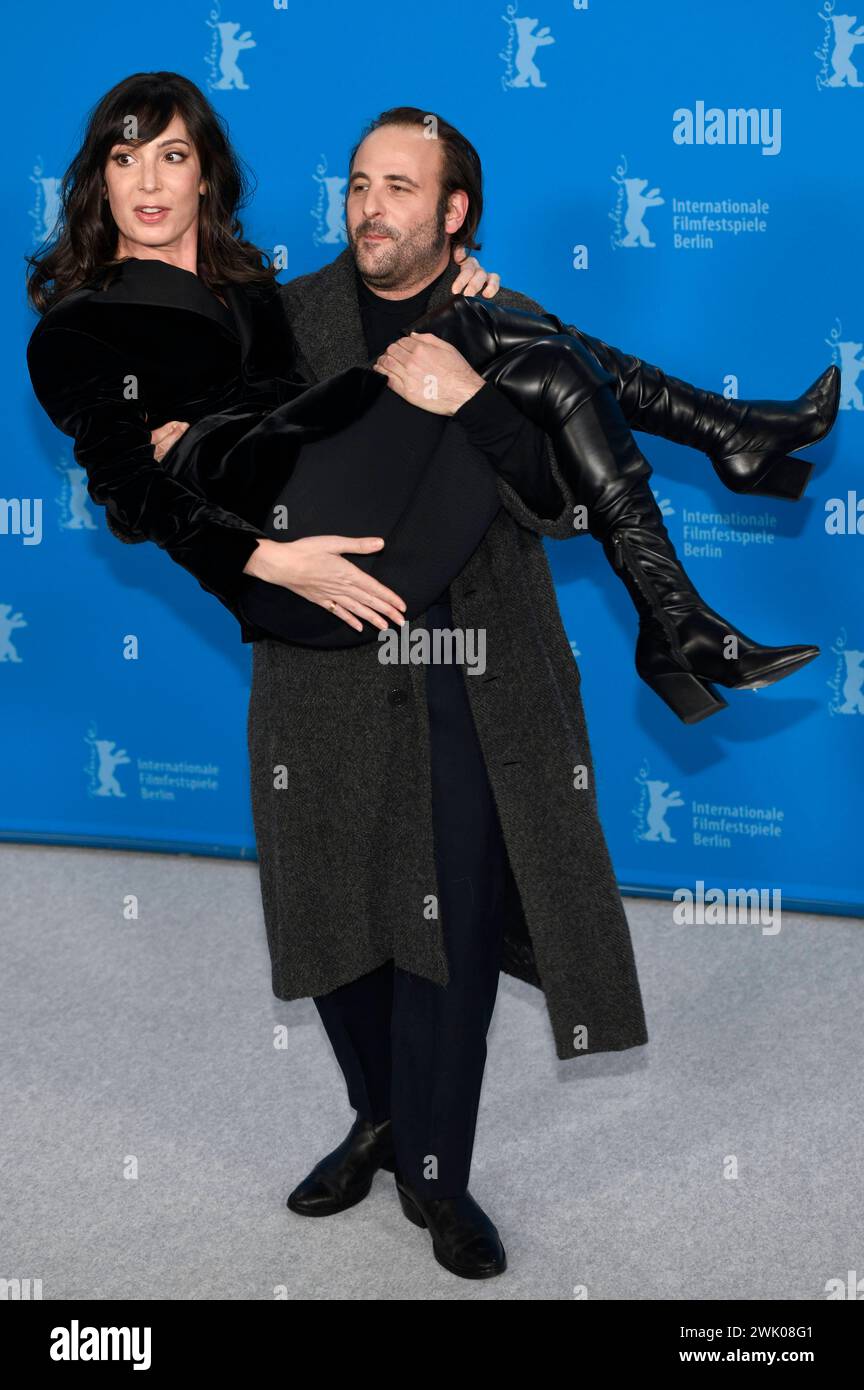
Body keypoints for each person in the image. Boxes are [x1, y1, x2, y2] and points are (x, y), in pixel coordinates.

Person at [22, 74, 830, 1281]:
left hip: (459, 644)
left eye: (397, 187)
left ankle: (438, 1179)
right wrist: (246, 526)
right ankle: (382, 1118)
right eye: (357, 184)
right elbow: (151, 486)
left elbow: (549, 501)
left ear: (457, 215)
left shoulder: (270, 297)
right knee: (329, 914)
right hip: (308, 615)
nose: (367, 205)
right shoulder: (217, 318)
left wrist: (468, 397)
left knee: (445, 924)